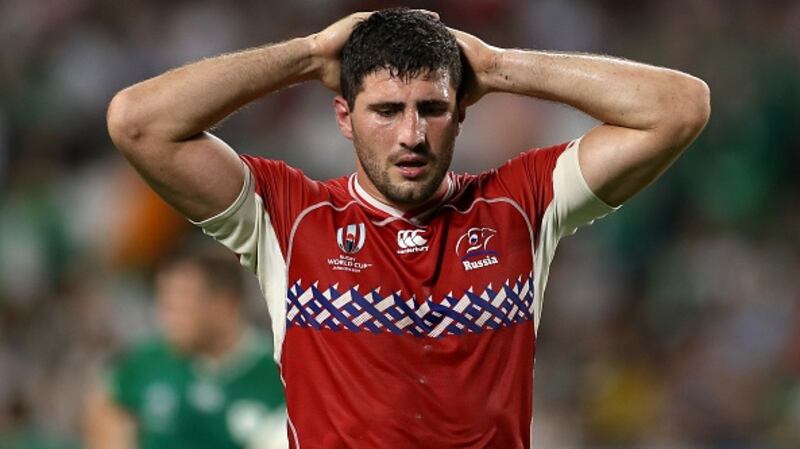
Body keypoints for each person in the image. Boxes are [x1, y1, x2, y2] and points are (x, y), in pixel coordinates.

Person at [106, 7, 710, 448]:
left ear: (462, 110)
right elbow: (138, 122)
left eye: (433, 108)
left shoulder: (518, 205)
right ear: (344, 115)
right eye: (387, 111)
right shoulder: (292, 219)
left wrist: (499, 66)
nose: (411, 136)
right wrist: (311, 55)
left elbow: (679, 108)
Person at [84, 246, 287, 449]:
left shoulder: (280, 374)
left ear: (226, 304)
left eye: (183, 304)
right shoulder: (147, 363)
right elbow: (107, 415)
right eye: (166, 304)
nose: (169, 318)